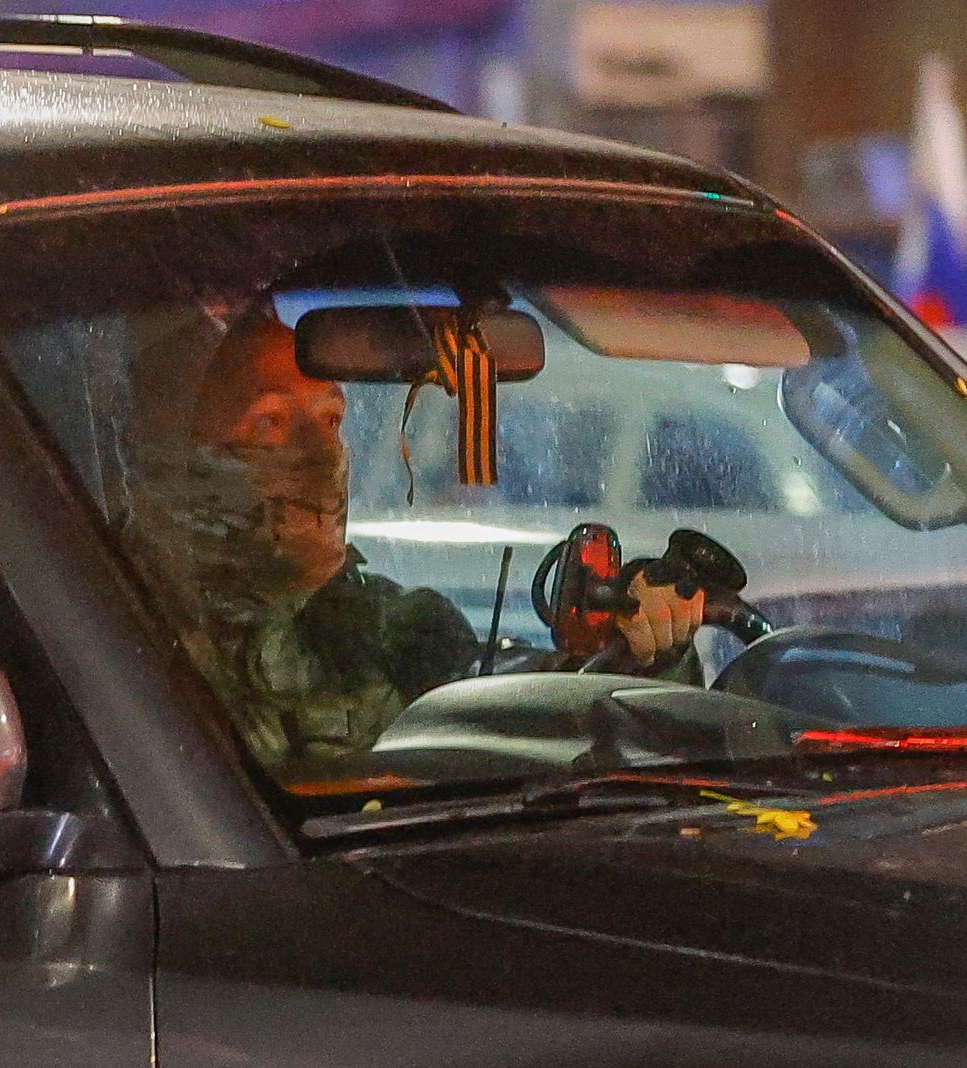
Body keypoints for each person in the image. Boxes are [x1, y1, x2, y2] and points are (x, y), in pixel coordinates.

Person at [131, 302, 707, 768]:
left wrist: (638, 654)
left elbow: (508, 707)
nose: (323, 451)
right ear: (174, 453)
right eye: (272, 422)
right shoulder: (116, 629)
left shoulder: (390, 627)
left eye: (331, 420)